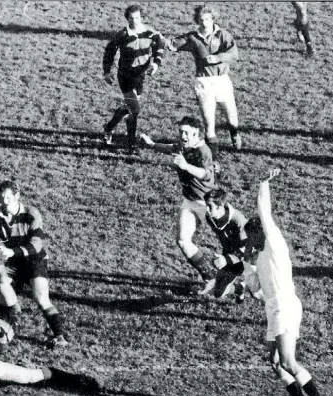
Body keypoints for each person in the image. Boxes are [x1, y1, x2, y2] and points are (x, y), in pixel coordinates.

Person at [243, 169, 332, 396]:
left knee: (288, 361)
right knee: (275, 363)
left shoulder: (274, 243)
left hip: (284, 306)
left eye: (252, 237)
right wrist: (247, 267)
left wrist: (263, 184)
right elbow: (257, 292)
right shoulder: (259, 258)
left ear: (261, 233)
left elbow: (264, 212)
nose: (250, 242)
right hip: (273, 309)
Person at [0, 180, 69, 348]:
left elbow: (37, 245)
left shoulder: (31, 214)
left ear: (17, 196)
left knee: (41, 298)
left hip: (34, 261)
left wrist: (12, 252)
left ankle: (60, 336)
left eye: (8, 198)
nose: (4, 202)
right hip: (12, 263)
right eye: (1, 198)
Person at [139, 116, 218, 291]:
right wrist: (152, 144)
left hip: (208, 205)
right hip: (189, 201)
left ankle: (246, 279)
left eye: (186, 133)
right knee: (183, 240)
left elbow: (206, 175)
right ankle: (209, 277)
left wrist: (185, 166)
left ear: (196, 134)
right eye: (181, 132)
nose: (182, 136)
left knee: (228, 245)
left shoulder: (203, 151)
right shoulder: (183, 146)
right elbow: (171, 148)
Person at [168, 4, 242, 159]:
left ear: (213, 19)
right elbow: (172, 44)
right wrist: (159, 41)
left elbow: (234, 53)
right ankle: (214, 161)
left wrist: (218, 58)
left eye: (207, 19)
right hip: (203, 83)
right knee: (209, 124)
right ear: (197, 20)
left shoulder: (222, 34)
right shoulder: (193, 37)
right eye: (201, 19)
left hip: (222, 80)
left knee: (232, 118)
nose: (204, 22)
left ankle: (234, 133)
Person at [101, 4, 165, 155]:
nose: (134, 20)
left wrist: (156, 63)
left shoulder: (150, 32)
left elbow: (160, 45)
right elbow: (110, 51)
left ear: (141, 18)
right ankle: (132, 145)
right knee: (135, 109)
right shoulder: (122, 34)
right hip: (125, 76)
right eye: (131, 18)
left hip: (140, 76)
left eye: (137, 17)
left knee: (129, 108)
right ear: (127, 18)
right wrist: (107, 72)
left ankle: (108, 128)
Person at [200, 188, 249, 299]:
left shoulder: (238, 221)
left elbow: (246, 248)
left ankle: (251, 285)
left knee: (258, 294)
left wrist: (226, 260)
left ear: (220, 206)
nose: (207, 210)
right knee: (218, 293)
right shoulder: (210, 217)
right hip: (229, 254)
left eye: (210, 206)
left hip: (247, 257)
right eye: (206, 206)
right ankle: (239, 288)